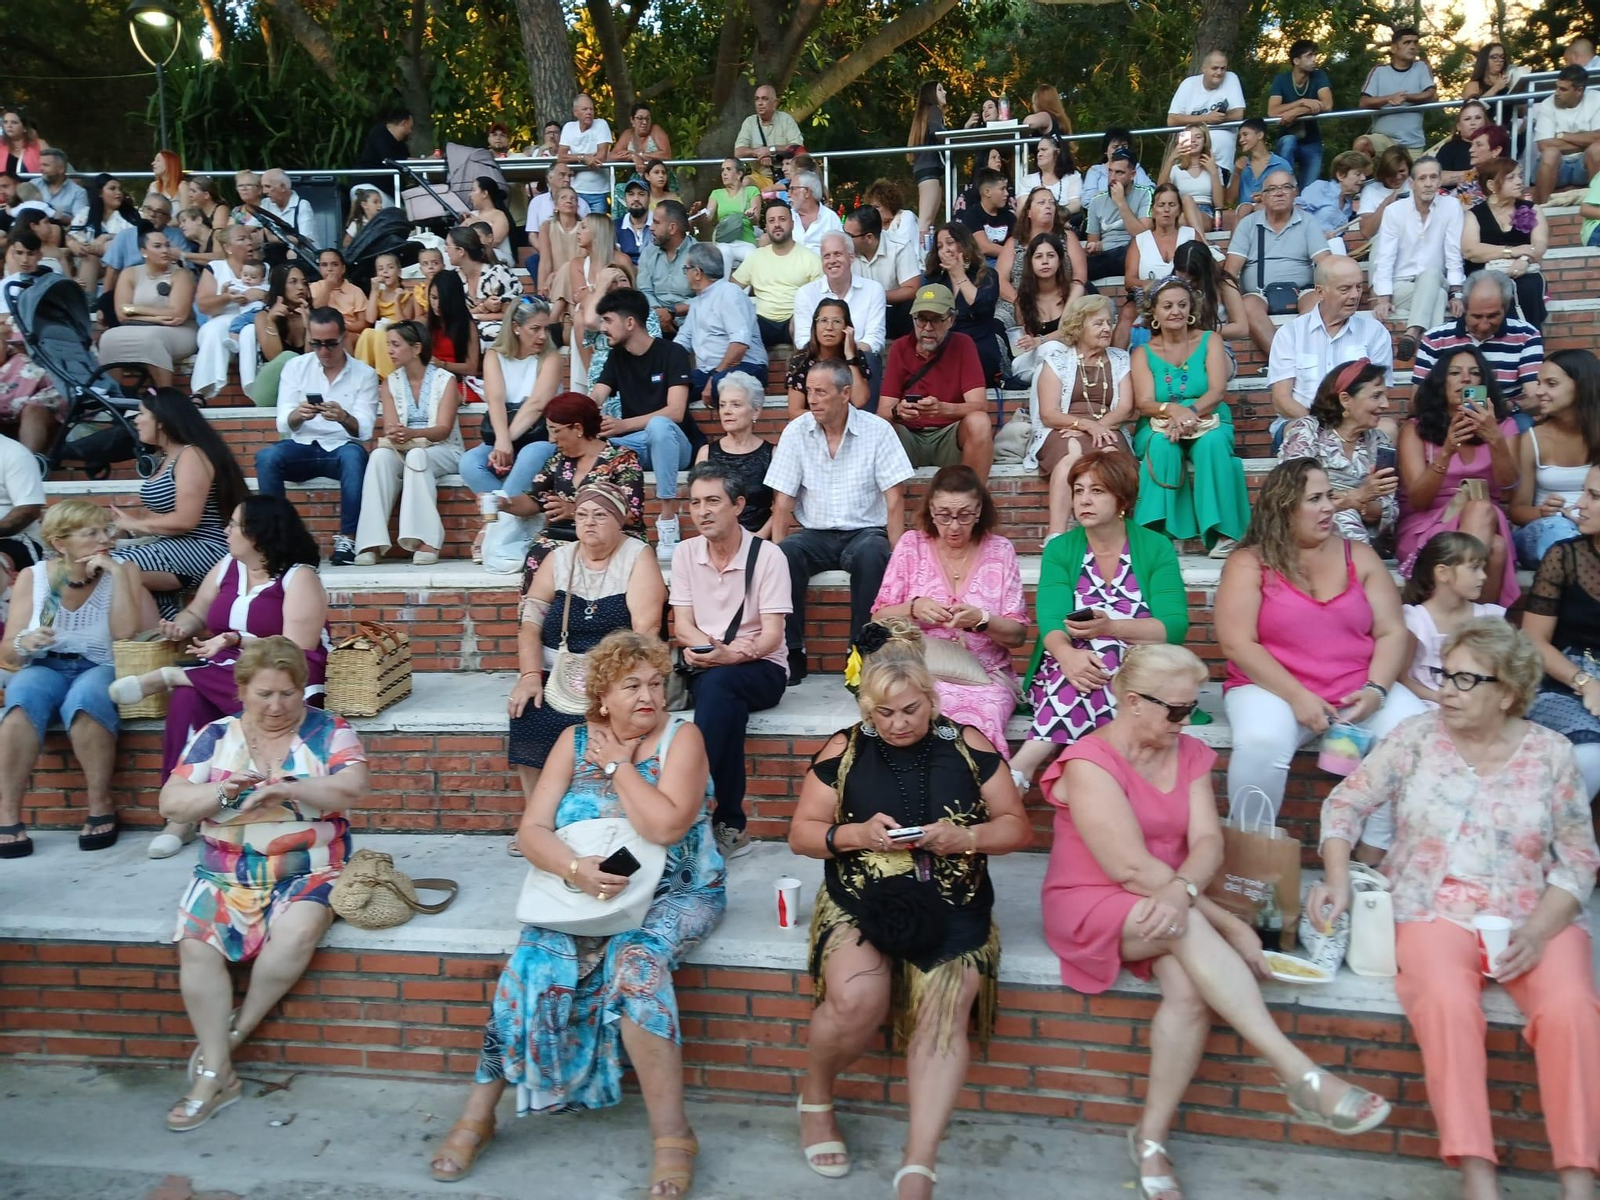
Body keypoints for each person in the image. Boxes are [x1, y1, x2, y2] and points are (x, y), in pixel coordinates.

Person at [1044, 641, 1393, 1199]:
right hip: (1091, 898)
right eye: (1177, 710)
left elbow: (1209, 842)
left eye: (1192, 708)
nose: (1187, 720)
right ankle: (1297, 1071)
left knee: (1189, 991)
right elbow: (1128, 868)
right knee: (1183, 928)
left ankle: (1150, 1138)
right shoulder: (1090, 761)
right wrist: (1229, 925)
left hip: (1172, 899)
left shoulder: (1187, 752)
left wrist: (1184, 890)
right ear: (1133, 702)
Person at [1310, 620, 1600, 1200]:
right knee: (1446, 1003)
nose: (1447, 689)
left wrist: (1540, 930)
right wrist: (1337, 877)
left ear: (1508, 693)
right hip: (1429, 906)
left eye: (1467, 680)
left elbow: (1578, 858)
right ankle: (1477, 1175)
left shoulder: (1551, 753)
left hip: (1532, 911)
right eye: (1446, 675)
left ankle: (1579, 1179)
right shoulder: (1415, 737)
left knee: (1571, 1008)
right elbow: (1346, 804)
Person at [436, 631, 723, 1197]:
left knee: (636, 966)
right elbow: (532, 830)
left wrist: (619, 767)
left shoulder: (682, 738)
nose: (649, 696)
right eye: (631, 686)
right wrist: (575, 869)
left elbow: (666, 827)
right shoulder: (572, 740)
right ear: (603, 697)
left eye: (655, 683)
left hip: (676, 892)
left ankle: (674, 1136)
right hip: (584, 891)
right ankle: (478, 1116)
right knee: (531, 962)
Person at [788, 647, 1029, 1197]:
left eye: (911, 710)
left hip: (954, 899)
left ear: (931, 700)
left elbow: (1016, 827)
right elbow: (801, 834)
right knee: (856, 997)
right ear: (868, 710)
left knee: (945, 1008)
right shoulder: (845, 748)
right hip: (862, 896)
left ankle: (918, 1163)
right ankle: (816, 1097)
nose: (898, 723)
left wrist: (967, 837)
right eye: (884, 713)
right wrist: (857, 835)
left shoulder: (968, 745)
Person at [159, 636, 367, 1132]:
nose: (277, 706)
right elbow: (171, 802)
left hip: (309, 868)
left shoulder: (330, 730)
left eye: (288, 694)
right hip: (225, 869)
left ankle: (234, 1035)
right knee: (196, 944)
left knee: (299, 930)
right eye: (264, 694)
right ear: (241, 690)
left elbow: (352, 788)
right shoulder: (216, 735)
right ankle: (217, 1074)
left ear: (302, 690)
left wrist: (288, 788)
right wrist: (219, 792)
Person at [1218, 458, 1427, 843]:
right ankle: (1250, 854)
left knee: (1417, 734)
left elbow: (1391, 631)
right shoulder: (1249, 563)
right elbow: (1236, 642)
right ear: (1285, 507)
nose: (1329, 507)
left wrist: (1377, 690)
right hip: (1272, 688)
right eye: (1315, 499)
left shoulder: (1359, 555)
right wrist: (1297, 695)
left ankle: (1376, 851)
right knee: (1262, 742)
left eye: (1330, 496)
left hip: (1356, 686)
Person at [1011, 450, 1186, 788]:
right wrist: (1067, 655)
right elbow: (1051, 621)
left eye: (1097, 491)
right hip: (1066, 666)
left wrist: (1112, 628)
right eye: (1078, 491)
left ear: (1121, 498)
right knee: (1091, 661)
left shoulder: (1155, 547)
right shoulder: (1060, 549)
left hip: (1142, 668)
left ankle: (1028, 764)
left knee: (1105, 649)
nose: (1084, 500)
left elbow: (1174, 627)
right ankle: (1103, 777)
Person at [504, 482, 663, 830]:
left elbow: (645, 633)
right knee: (527, 711)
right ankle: (539, 820)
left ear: (619, 520)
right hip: (560, 673)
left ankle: (598, 814)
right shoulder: (558, 559)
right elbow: (529, 623)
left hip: (617, 675)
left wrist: (613, 687)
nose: (589, 522)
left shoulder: (637, 557)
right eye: (582, 515)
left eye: (600, 515)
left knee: (607, 720)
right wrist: (530, 676)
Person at [0, 500, 151, 859]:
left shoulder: (124, 570)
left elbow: (125, 632)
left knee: (86, 699)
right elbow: (8, 650)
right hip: (46, 665)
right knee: (21, 698)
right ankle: (7, 812)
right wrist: (25, 642)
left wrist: (115, 575)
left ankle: (100, 804)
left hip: (100, 664)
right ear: (60, 542)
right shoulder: (35, 576)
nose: (105, 539)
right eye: (92, 533)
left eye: (106, 530)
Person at [665, 462, 789, 859]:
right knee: (724, 703)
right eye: (695, 503)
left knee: (720, 689)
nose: (702, 511)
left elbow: (772, 635)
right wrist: (710, 651)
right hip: (708, 663)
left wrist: (731, 655)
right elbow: (683, 625)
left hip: (763, 667)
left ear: (738, 505)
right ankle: (730, 824)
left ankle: (690, 809)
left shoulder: (769, 556)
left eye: (713, 501)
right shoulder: (685, 553)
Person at [768, 358, 915, 683]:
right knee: (785, 555)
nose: (812, 400)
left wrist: (897, 557)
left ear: (845, 393)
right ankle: (791, 652)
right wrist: (775, 554)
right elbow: (783, 501)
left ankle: (861, 653)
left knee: (874, 555)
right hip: (814, 534)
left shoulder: (877, 430)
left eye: (821, 392)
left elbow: (895, 499)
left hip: (865, 532)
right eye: (809, 391)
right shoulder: (796, 432)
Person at [870, 463, 1028, 760]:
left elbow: (1018, 635)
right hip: (920, 672)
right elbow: (878, 619)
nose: (954, 526)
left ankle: (977, 786)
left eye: (964, 515)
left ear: (979, 511)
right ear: (930, 510)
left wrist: (982, 620)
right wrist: (914, 607)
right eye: (944, 515)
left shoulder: (1000, 550)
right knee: (922, 709)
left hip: (985, 677)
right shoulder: (912, 545)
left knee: (981, 717)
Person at [1128, 278, 1250, 557]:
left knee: (1212, 444)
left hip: (1208, 415)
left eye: (1182, 305)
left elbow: (1217, 390)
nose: (1176, 311)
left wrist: (1190, 413)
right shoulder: (1142, 352)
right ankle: (1159, 535)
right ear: (1153, 312)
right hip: (1160, 420)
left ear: (1191, 308)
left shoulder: (1210, 340)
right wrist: (1173, 411)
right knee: (1162, 446)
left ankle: (1225, 534)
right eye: (1168, 306)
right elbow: (1144, 403)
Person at [255, 308, 380, 566]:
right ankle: (278, 539)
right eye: (316, 343)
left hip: (342, 446)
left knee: (354, 456)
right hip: (301, 445)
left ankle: (348, 539)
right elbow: (283, 421)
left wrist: (344, 417)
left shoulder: (364, 373)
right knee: (266, 458)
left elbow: (365, 430)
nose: (324, 350)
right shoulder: (296, 367)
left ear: (344, 338)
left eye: (331, 343)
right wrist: (298, 415)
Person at [1397, 347, 1520, 605]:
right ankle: (1470, 619)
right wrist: (1446, 452)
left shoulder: (1504, 426)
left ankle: (1450, 612)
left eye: (1474, 373)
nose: (1466, 379)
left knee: (1482, 510)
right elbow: (1418, 500)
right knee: (1495, 548)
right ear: (1440, 382)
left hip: (1486, 518)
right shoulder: (1416, 429)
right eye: (1455, 373)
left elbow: (1508, 487)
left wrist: (1495, 438)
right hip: (1428, 525)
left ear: (1483, 383)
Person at [109, 388, 248, 616]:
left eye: (142, 413)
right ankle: (161, 625)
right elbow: (163, 515)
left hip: (205, 547)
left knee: (112, 565)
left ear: (161, 421)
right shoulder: (167, 457)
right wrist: (127, 531)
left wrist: (135, 524)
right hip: (176, 544)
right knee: (105, 560)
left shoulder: (191, 455)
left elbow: (186, 520)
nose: (136, 420)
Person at [591, 287, 698, 554]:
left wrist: (623, 425)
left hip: (675, 445)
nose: (603, 328)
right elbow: (597, 394)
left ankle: (668, 520)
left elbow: (676, 412)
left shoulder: (672, 352)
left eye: (608, 320)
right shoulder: (617, 356)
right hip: (638, 446)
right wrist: (582, 415)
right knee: (594, 443)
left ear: (630, 322)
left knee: (658, 426)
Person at [351, 321, 464, 566]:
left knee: (416, 456)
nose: (389, 351)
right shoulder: (389, 382)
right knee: (379, 456)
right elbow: (391, 427)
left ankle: (426, 541)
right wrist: (398, 434)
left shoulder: (445, 380)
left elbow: (443, 430)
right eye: (388, 345)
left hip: (444, 449)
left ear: (416, 348)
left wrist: (413, 433)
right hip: (405, 447)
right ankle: (371, 542)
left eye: (395, 344)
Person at [461, 296, 565, 558]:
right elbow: (495, 400)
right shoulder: (494, 355)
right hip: (503, 434)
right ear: (516, 327)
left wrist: (506, 441)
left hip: (540, 437)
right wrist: (501, 442)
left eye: (546, 328)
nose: (542, 336)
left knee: (532, 452)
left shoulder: (551, 358)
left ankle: (490, 529)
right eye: (535, 329)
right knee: (469, 462)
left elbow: (537, 404)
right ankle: (516, 519)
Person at [1025, 296, 1133, 537]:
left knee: (1112, 459)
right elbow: (1048, 413)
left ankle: (1114, 536)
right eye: (1098, 323)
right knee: (1069, 460)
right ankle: (1056, 537)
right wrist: (1084, 425)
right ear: (1079, 326)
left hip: (1108, 428)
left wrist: (1097, 427)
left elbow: (1125, 408)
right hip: (1063, 428)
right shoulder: (1057, 360)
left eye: (1109, 322)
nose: (1107, 328)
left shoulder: (1120, 359)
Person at [506, 393, 645, 575]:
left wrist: (575, 511)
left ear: (577, 428)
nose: (551, 439)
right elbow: (535, 500)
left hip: (612, 537)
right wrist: (503, 503)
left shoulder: (623, 459)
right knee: (539, 554)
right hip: (564, 535)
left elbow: (631, 516)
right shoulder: (559, 460)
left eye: (555, 430)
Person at [1525, 462, 1600, 798]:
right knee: (1590, 755)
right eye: (1584, 492)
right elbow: (1532, 640)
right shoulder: (1564, 557)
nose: (1579, 504)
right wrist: (1585, 683)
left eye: (1594, 496)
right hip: (1563, 682)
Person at [879, 284, 993, 480]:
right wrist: (898, 411)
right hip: (909, 437)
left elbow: (980, 406)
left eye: (936, 319)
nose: (928, 328)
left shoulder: (963, 344)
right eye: (921, 319)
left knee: (979, 422)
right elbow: (883, 410)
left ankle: (973, 495)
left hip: (949, 436)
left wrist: (944, 409)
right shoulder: (899, 347)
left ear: (951, 320)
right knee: (880, 426)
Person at [1278, 359, 1397, 547]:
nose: (1385, 404)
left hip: (1362, 534)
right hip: (1306, 530)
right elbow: (1293, 493)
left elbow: (1388, 511)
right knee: (1342, 523)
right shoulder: (1309, 432)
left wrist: (1359, 500)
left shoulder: (1379, 442)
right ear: (1345, 399)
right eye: (1376, 396)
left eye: (1385, 396)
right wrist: (1357, 496)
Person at [1276, 259, 1395, 434]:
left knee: (1388, 428)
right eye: (1345, 289)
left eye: (1358, 287)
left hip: (1357, 422)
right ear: (1320, 292)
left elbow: (1380, 392)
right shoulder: (1290, 333)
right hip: (1303, 421)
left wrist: (1345, 427)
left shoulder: (1376, 332)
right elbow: (1281, 399)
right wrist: (1322, 428)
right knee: (1300, 432)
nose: (1355, 295)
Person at [1222, 170, 1330, 360]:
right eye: (1272, 189)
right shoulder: (1248, 224)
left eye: (1286, 187)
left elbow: (1326, 263)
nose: (1279, 193)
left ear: (1295, 192)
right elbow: (1230, 271)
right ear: (1262, 197)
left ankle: (1296, 359)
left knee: (1318, 302)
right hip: (1258, 293)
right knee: (1247, 306)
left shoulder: (1307, 221)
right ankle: (1285, 360)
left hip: (1303, 291)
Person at [1369, 156, 1464, 363]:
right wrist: (1383, 299)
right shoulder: (1394, 211)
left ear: (1440, 181)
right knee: (1438, 296)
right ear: (1411, 183)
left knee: (1430, 275)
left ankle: (1412, 333)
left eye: (1433, 177)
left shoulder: (1451, 206)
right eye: (1422, 178)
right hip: (1401, 286)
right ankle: (1433, 356)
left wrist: (1457, 293)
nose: (1428, 183)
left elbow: (1453, 252)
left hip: (1437, 278)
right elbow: (1385, 257)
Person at [1510, 351, 1600, 566]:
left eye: (1551, 384)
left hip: (1594, 527)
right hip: (1546, 529)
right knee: (1561, 532)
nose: (1539, 392)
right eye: (1539, 383)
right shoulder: (1533, 438)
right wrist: (1543, 512)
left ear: (1581, 386)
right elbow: (1516, 510)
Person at [1396, 533, 1505, 708]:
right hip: (1425, 706)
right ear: (1443, 573)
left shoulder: (1489, 618)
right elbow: (1402, 678)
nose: (1483, 576)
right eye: (1474, 568)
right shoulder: (1416, 620)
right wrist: (1440, 698)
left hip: (1476, 708)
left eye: (1483, 568)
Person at [1413, 272, 1542, 415]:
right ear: (1464, 307)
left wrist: (1507, 407)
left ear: (1505, 308)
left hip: (1507, 415)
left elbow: (1537, 398)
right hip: (1448, 417)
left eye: (1493, 316)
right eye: (1477, 316)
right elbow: (1417, 401)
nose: (1484, 326)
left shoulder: (1526, 335)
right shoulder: (1434, 338)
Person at [97, 227, 197, 388]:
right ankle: (114, 394)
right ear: (143, 251)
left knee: (152, 338)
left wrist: (136, 309)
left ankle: (165, 393)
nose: (165, 250)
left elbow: (177, 314)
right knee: (109, 337)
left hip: (180, 330)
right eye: (157, 246)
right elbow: (122, 313)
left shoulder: (180, 275)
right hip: (142, 327)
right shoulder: (129, 273)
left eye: (167, 245)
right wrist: (156, 318)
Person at [676, 241, 766, 405]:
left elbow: (739, 345)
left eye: (686, 269)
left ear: (697, 273)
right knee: (672, 387)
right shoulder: (696, 303)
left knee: (720, 384)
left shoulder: (730, 293)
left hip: (747, 366)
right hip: (709, 372)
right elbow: (682, 342)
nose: (685, 274)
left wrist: (715, 377)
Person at [793, 231, 886, 386]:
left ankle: (865, 403)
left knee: (870, 358)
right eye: (826, 256)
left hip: (858, 357)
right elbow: (802, 340)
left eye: (838, 254)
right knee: (802, 360)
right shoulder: (806, 293)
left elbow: (874, 340)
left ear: (851, 257)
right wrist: (830, 352)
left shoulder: (873, 290)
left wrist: (848, 353)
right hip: (819, 360)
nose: (832, 261)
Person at [921, 223, 1004, 387]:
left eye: (950, 243)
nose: (945, 250)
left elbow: (981, 306)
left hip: (978, 347)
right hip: (943, 346)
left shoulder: (986, 275)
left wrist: (959, 275)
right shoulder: (934, 280)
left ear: (964, 244)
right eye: (940, 246)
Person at [693, 372, 773, 534]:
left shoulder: (772, 454)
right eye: (722, 405)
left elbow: (780, 507)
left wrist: (757, 539)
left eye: (735, 405)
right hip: (717, 539)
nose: (726, 411)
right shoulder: (706, 454)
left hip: (760, 540)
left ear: (755, 411)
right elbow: (699, 505)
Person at [733, 204, 822, 349]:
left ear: (792, 224)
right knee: (742, 330)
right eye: (772, 221)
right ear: (766, 227)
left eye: (782, 219)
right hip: (762, 322)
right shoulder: (756, 257)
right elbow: (731, 288)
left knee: (801, 324)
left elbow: (821, 297)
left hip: (795, 320)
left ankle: (800, 363)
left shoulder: (810, 259)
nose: (777, 225)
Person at [1118, 185, 1197, 346]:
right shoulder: (1140, 240)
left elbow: (1205, 270)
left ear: (1179, 210)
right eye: (1161, 205)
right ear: (1153, 210)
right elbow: (1129, 281)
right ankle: (1118, 359)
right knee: (1127, 313)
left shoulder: (1191, 235)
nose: (1166, 210)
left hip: (1185, 298)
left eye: (1171, 204)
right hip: (1147, 299)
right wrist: (1154, 285)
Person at [550, 212, 633, 340]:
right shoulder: (577, 264)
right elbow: (579, 298)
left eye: (583, 227)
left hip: (619, 317)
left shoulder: (622, 260)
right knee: (580, 314)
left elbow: (628, 295)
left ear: (597, 233)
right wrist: (603, 288)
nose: (578, 232)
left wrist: (591, 290)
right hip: (587, 319)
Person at [1356, 26, 1437, 155]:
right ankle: (1367, 169)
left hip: (1412, 143)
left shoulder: (1421, 67)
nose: (1412, 46)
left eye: (1415, 42)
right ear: (1394, 48)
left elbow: (1431, 94)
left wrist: (1406, 97)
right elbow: (1364, 102)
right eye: (1407, 42)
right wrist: (1390, 98)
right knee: (1361, 144)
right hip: (1383, 139)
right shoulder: (1379, 71)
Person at [847, 204, 922, 342]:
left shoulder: (899, 246)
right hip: (856, 309)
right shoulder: (844, 250)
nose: (844, 239)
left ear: (869, 237)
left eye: (849, 236)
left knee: (909, 307)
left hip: (891, 310)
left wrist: (876, 296)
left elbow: (912, 289)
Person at [786, 297, 871, 418]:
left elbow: (859, 401)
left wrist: (850, 357)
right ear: (815, 326)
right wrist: (830, 418)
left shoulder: (856, 357)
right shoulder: (801, 360)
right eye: (823, 320)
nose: (829, 327)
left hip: (847, 425)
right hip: (811, 424)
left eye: (837, 321)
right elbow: (795, 411)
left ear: (847, 328)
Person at [1165, 49, 1248, 173]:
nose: (1219, 72)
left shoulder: (1231, 78)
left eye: (1223, 68)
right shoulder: (1188, 84)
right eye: (1214, 68)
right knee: (1185, 180)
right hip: (1188, 156)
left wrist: (1219, 118)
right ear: (1204, 68)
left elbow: (1238, 114)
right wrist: (1207, 118)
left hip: (1221, 161)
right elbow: (1172, 120)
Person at [1004, 232, 1072, 380]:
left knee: (1051, 349)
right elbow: (1027, 340)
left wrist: (1040, 341)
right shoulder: (1024, 298)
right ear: (1031, 262)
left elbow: (1072, 331)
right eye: (1039, 256)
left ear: (1060, 260)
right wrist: (1027, 341)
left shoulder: (1073, 292)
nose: (1045, 261)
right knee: (1019, 364)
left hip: (1068, 356)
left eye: (1051, 256)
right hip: (1036, 359)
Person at [1267, 40, 1335, 188]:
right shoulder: (1282, 79)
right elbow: (1272, 111)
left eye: (1315, 55)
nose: (1314, 59)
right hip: (1287, 137)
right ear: (1296, 61)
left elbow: (1327, 104)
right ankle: (1287, 185)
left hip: (1312, 141)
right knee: (1289, 141)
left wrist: (1297, 112)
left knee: (1309, 190)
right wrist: (1302, 102)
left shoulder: (1319, 76)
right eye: (1309, 56)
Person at [246, 262, 312, 407]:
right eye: (293, 282)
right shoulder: (263, 316)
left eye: (304, 282)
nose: (301, 287)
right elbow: (274, 357)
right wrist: (271, 321)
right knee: (288, 357)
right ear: (280, 286)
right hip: (274, 386)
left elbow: (311, 358)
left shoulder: (315, 316)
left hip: (306, 386)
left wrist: (309, 326)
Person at [1532, 64, 1600, 204]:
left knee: (1597, 150)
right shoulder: (1547, 104)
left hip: (1585, 164)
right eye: (1557, 87)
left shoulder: (1596, 99)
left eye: (1563, 89)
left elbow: (1598, 138)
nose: (1557, 93)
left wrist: (1563, 135)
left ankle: (1596, 204)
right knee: (1550, 153)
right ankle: (1544, 209)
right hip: (1558, 166)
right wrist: (1585, 140)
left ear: (1579, 90)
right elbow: (1543, 145)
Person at [1083, 151, 1152, 281]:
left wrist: (1121, 202)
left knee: (1134, 252)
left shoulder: (1145, 194)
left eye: (1119, 173)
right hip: (1106, 255)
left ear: (1132, 175)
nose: (1112, 178)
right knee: (1078, 268)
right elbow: (1092, 241)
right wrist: (1094, 246)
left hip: (1132, 251)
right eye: (1110, 171)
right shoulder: (1096, 201)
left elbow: (1143, 237)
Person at [447, 224, 519, 347]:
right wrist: (482, 308)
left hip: (499, 330)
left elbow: (511, 315)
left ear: (460, 251)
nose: (446, 251)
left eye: (448, 246)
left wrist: (475, 316)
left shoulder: (497, 273)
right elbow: (453, 316)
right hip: (468, 330)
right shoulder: (453, 278)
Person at [349, 251, 417, 378]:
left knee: (382, 334)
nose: (385, 271)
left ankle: (386, 376)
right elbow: (370, 319)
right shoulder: (378, 294)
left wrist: (397, 301)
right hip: (381, 331)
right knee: (367, 333)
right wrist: (374, 291)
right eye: (381, 269)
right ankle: (361, 374)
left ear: (399, 272)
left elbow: (403, 323)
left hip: (398, 331)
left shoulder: (407, 296)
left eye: (390, 267)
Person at [67, 173, 137, 293]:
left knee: (95, 254)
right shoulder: (86, 213)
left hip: (118, 264)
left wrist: (106, 237)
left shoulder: (129, 217)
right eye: (112, 188)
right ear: (100, 193)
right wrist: (72, 244)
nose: (118, 193)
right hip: (88, 261)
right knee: (90, 257)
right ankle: (87, 300)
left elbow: (135, 238)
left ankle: (89, 299)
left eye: (119, 189)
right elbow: (71, 235)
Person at [637, 199, 694, 337]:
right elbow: (644, 290)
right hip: (655, 322)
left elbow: (707, 296)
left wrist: (672, 312)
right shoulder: (648, 252)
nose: (651, 227)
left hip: (691, 322)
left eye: (656, 223)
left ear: (672, 228)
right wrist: (660, 314)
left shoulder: (698, 254)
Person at [1225, 119, 1293, 220]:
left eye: (1245, 134)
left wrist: (1266, 195)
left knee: (1260, 208)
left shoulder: (1280, 164)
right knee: (1244, 210)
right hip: (1244, 213)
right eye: (1240, 136)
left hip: (1272, 213)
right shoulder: (1241, 165)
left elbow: (1292, 193)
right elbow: (1230, 200)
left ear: (1260, 135)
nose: (1241, 140)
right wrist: (1237, 173)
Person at [557, 94, 614, 213]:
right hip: (575, 190)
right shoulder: (568, 127)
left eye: (591, 109)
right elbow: (561, 157)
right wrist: (583, 158)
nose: (589, 112)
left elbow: (601, 158)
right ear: (575, 112)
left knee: (597, 224)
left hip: (598, 190)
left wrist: (574, 161)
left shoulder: (601, 124)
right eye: (584, 109)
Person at [1161, 126, 1223, 232]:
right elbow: (1160, 191)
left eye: (1198, 137)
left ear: (1205, 142)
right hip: (1180, 211)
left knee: (1184, 213)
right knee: (1184, 206)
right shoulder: (1175, 169)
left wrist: (1213, 173)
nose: (1193, 140)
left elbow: (1219, 204)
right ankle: (1202, 241)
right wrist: (1171, 159)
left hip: (1205, 211)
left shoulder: (1214, 169)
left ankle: (1199, 240)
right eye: (1190, 137)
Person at [735, 84, 805, 176]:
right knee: (745, 181)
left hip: (787, 176)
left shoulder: (786, 119)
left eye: (764, 99)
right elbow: (738, 152)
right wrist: (758, 153)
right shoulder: (749, 122)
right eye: (757, 99)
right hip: (760, 177)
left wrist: (771, 150)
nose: (760, 103)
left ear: (775, 103)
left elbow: (798, 147)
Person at [1296, 150, 1371, 234]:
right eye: (1358, 174)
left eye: (1364, 174)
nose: (1363, 178)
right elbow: (1296, 214)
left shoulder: (1348, 203)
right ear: (1340, 175)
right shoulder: (1320, 188)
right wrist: (1316, 235)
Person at [908, 81, 949, 236]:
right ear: (931, 94)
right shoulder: (934, 110)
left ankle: (924, 248)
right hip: (929, 168)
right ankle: (917, 249)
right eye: (940, 89)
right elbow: (936, 131)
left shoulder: (925, 114)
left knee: (928, 222)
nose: (944, 92)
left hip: (927, 168)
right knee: (925, 222)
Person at [691, 158, 761, 246]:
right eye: (722, 170)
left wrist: (751, 216)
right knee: (723, 250)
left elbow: (756, 221)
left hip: (746, 241)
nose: (724, 173)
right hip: (724, 241)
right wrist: (698, 215)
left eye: (728, 169)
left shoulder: (752, 191)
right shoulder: (716, 193)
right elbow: (708, 217)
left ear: (739, 174)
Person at [309, 248, 367, 347]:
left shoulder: (355, 291)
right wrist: (328, 288)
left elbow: (363, 322)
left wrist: (344, 327)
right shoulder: (313, 287)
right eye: (324, 265)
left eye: (335, 264)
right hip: (322, 330)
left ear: (343, 268)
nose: (329, 269)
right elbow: (316, 311)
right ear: (319, 269)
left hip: (349, 331)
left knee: (345, 338)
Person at [954, 167, 1015, 261]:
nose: (1006, 193)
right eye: (1002, 189)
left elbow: (1019, 243)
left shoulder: (1009, 216)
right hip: (982, 264)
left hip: (1007, 262)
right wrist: (1012, 253)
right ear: (987, 192)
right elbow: (984, 247)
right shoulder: (972, 215)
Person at [1355, 145, 1413, 242]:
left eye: (1402, 171)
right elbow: (1366, 233)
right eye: (1392, 173)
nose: (1398, 177)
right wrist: (1385, 204)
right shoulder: (1371, 190)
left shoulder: (1416, 185)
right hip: (1383, 243)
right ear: (1383, 172)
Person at [607, 100, 673, 181]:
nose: (644, 122)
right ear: (632, 120)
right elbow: (611, 157)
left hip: (660, 178)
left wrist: (639, 155)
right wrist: (632, 156)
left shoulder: (655, 130)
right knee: (620, 188)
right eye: (640, 118)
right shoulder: (628, 134)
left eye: (647, 119)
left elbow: (666, 155)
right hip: (639, 180)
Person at [1020, 134, 1083, 218]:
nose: (1039, 154)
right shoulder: (1028, 180)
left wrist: (1054, 216)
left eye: (1044, 150)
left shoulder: (1072, 177)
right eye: (1038, 151)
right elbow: (1022, 210)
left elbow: (1076, 204)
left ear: (1057, 153)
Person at [863, 178, 922, 259]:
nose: (873, 211)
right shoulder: (873, 228)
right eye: (871, 207)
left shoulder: (906, 217)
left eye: (877, 207)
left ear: (889, 204)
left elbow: (905, 246)